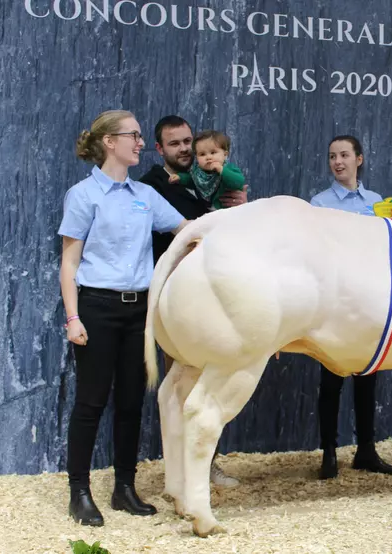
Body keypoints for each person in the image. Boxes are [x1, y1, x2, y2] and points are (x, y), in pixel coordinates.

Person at [59, 110, 188, 526]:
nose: (139, 142)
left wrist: (235, 220)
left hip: (140, 311)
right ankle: (79, 492)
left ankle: (124, 489)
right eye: (133, 135)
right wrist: (73, 318)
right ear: (109, 142)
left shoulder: (145, 195)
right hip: (96, 308)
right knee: (91, 402)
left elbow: (186, 228)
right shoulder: (83, 195)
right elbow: (69, 261)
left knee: (132, 403)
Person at [138, 115, 246, 488]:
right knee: (183, 384)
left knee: (213, 382)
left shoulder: (210, 177)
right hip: (177, 299)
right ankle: (184, 471)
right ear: (159, 149)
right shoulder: (150, 187)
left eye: (188, 142)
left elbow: (233, 212)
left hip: (217, 293)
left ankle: (205, 466)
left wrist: (241, 206)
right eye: (175, 144)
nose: (184, 149)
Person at [309, 135, 392, 480]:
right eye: (332, 156)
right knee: (331, 379)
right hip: (334, 301)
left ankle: (366, 450)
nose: (338, 162)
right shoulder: (318, 203)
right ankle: (329, 453)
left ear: (359, 159)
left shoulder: (377, 202)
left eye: (344, 155)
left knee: (367, 377)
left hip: (370, 300)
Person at [167, 130, 247, 211]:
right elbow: (191, 180)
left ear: (225, 155)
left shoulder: (229, 168)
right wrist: (180, 178)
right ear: (196, 157)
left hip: (228, 211)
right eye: (202, 154)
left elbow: (238, 182)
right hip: (209, 211)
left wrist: (222, 170)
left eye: (213, 152)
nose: (208, 157)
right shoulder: (197, 172)